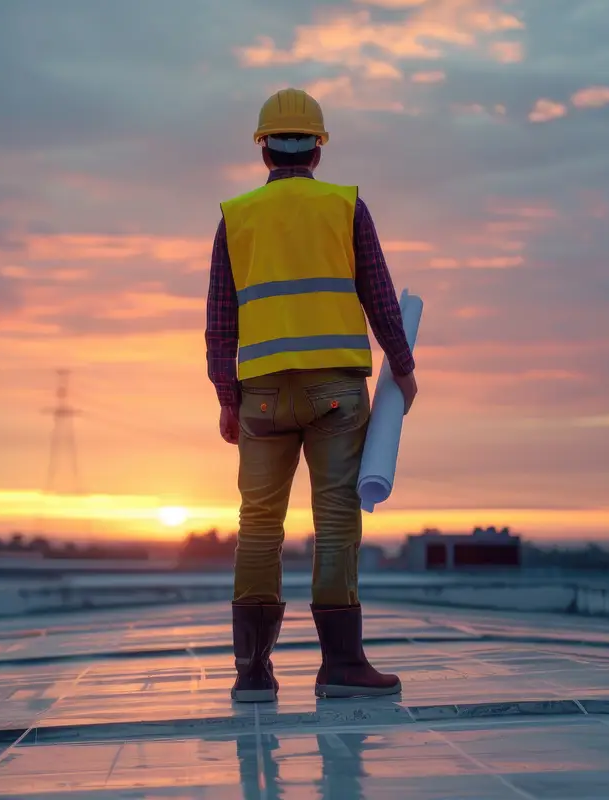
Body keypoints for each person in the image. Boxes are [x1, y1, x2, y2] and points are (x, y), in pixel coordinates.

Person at [205, 87, 419, 703]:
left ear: (263, 150)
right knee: (333, 522)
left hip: (262, 396)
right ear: (318, 150)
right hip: (336, 392)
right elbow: (379, 295)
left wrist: (227, 397)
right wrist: (402, 370)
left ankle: (251, 672)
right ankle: (341, 667)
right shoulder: (346, 208)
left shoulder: (236, 217)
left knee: (258, 525)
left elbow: (222, 320)